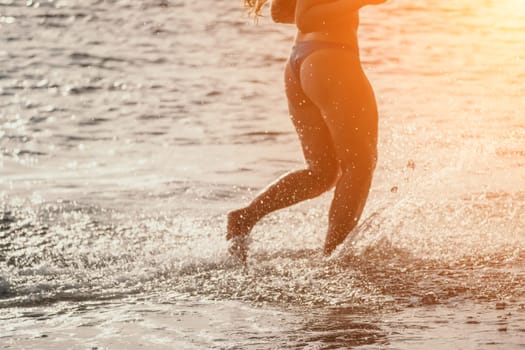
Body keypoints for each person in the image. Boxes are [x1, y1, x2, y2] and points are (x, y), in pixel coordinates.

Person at [227, 0, 387, 262]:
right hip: (331, 59)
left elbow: (281, 12)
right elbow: (307, 19)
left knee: (322, 172)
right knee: (359, 165)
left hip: (301, 60)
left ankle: (245, 217)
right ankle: (334, 258)